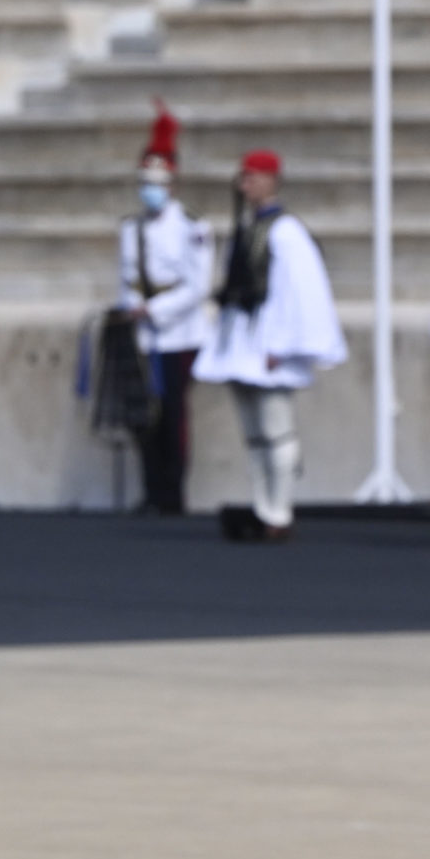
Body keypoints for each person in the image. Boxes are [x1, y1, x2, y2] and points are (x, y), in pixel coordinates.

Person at [193, 151, 347, 542]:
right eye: (243, 178)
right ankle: (264, 506)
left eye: (253, 178)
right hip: (243, 339)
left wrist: (284, 344)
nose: (245, 186)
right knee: (255, 433)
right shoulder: (246, 228)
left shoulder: (286, 232)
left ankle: (279, 510)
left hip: (269, 341)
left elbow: (297, 293)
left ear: (271, 181)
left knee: (276, 429)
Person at [117, 102, 214, 514]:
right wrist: (131, 305)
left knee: (173, 414)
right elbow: (125, 277)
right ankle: (150, 487)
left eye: (158, 180)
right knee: (143, 416)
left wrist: (155, 310)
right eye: (145, 180)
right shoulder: (131, 227)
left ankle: (173, 492)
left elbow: (199, 284)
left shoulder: (193, 226)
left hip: (179, 333)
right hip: (143, 336)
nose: (151, 188)